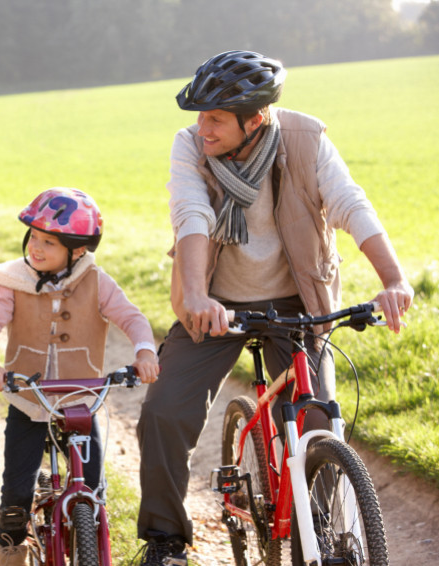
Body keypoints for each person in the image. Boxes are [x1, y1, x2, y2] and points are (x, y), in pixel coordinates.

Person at [135, 50, 414, 565]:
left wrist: (392, 279)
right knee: (164, 410)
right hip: (215, 302)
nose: (202, 128)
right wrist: (195, 295)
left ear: (255, 118)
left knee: (317, 420)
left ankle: (323, 533)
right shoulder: (190, 147)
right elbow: (191, 212)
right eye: (199, 115)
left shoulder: (306, 140)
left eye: (215, 118)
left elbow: (350, 203)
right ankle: (165, 538)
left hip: (297, 300)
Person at [0, 187, 161, 566]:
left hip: (79, 400)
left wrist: (144, 351)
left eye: (49, 243)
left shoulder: (96, 280)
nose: (37, 248)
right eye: (35, 238)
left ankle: (85, 541)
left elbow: (132, 317)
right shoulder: (13, 280)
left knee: (90, 485)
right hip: (29, 400)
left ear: (77, 251)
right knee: (17, 488)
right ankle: (9, 551)